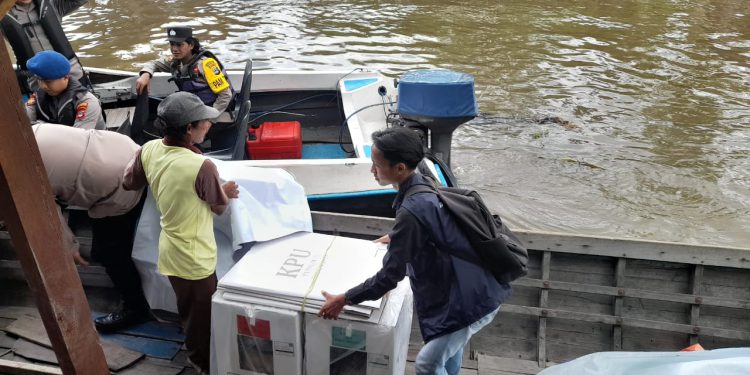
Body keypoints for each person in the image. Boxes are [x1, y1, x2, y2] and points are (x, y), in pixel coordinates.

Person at [319, 127, 511, 375]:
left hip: (472, 301)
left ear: (400, 168)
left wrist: (344, 299)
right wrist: (397, 236)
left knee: (426, 365)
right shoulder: (425, 181)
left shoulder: (412, 210)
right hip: (474, 287)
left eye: (376, 165)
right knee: (447, 354)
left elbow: (389, 277)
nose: (372, 170)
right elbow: (435, 227)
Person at [123, 91, 240, 375]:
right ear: (189, 128)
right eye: (204, 122)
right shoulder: (202, 166)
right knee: (201, 319)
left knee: (189, 308)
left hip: (170, 252)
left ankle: (195, 348)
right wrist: (226, 191)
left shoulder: (149, 149)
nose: (209, 125)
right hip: (195, 258)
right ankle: (201, 364)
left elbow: (130, 182)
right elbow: (219, 209)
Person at [32, 123, 152, 332]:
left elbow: (44, 212)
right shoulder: (31, 130)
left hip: (115, 183)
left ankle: (136, 309)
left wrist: (70, 247)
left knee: (107, 251)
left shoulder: (16, 168)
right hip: (122, 149)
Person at [135, 26, 234, 124]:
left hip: (212, 112)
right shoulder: (176, 62)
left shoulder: (206, 65)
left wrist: (209, 120)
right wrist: (145, 74)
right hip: (193, 108)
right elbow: (154, 64)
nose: (174, 49)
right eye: (172, 44)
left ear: (191, 45)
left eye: (179, 45)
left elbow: (225, 95)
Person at [2, 0, 88, 93]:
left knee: (81, 102)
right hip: (38, 81)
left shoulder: (53, 3)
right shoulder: (2, 14)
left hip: (71, 74)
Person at [24, 50, 104, 129]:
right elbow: (24, 121)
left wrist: (41, 126)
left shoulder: (87, 101)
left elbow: (79, 138)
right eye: (40, 80)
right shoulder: (37, 97)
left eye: (48, 81)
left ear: (66, 77)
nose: (43, 86)